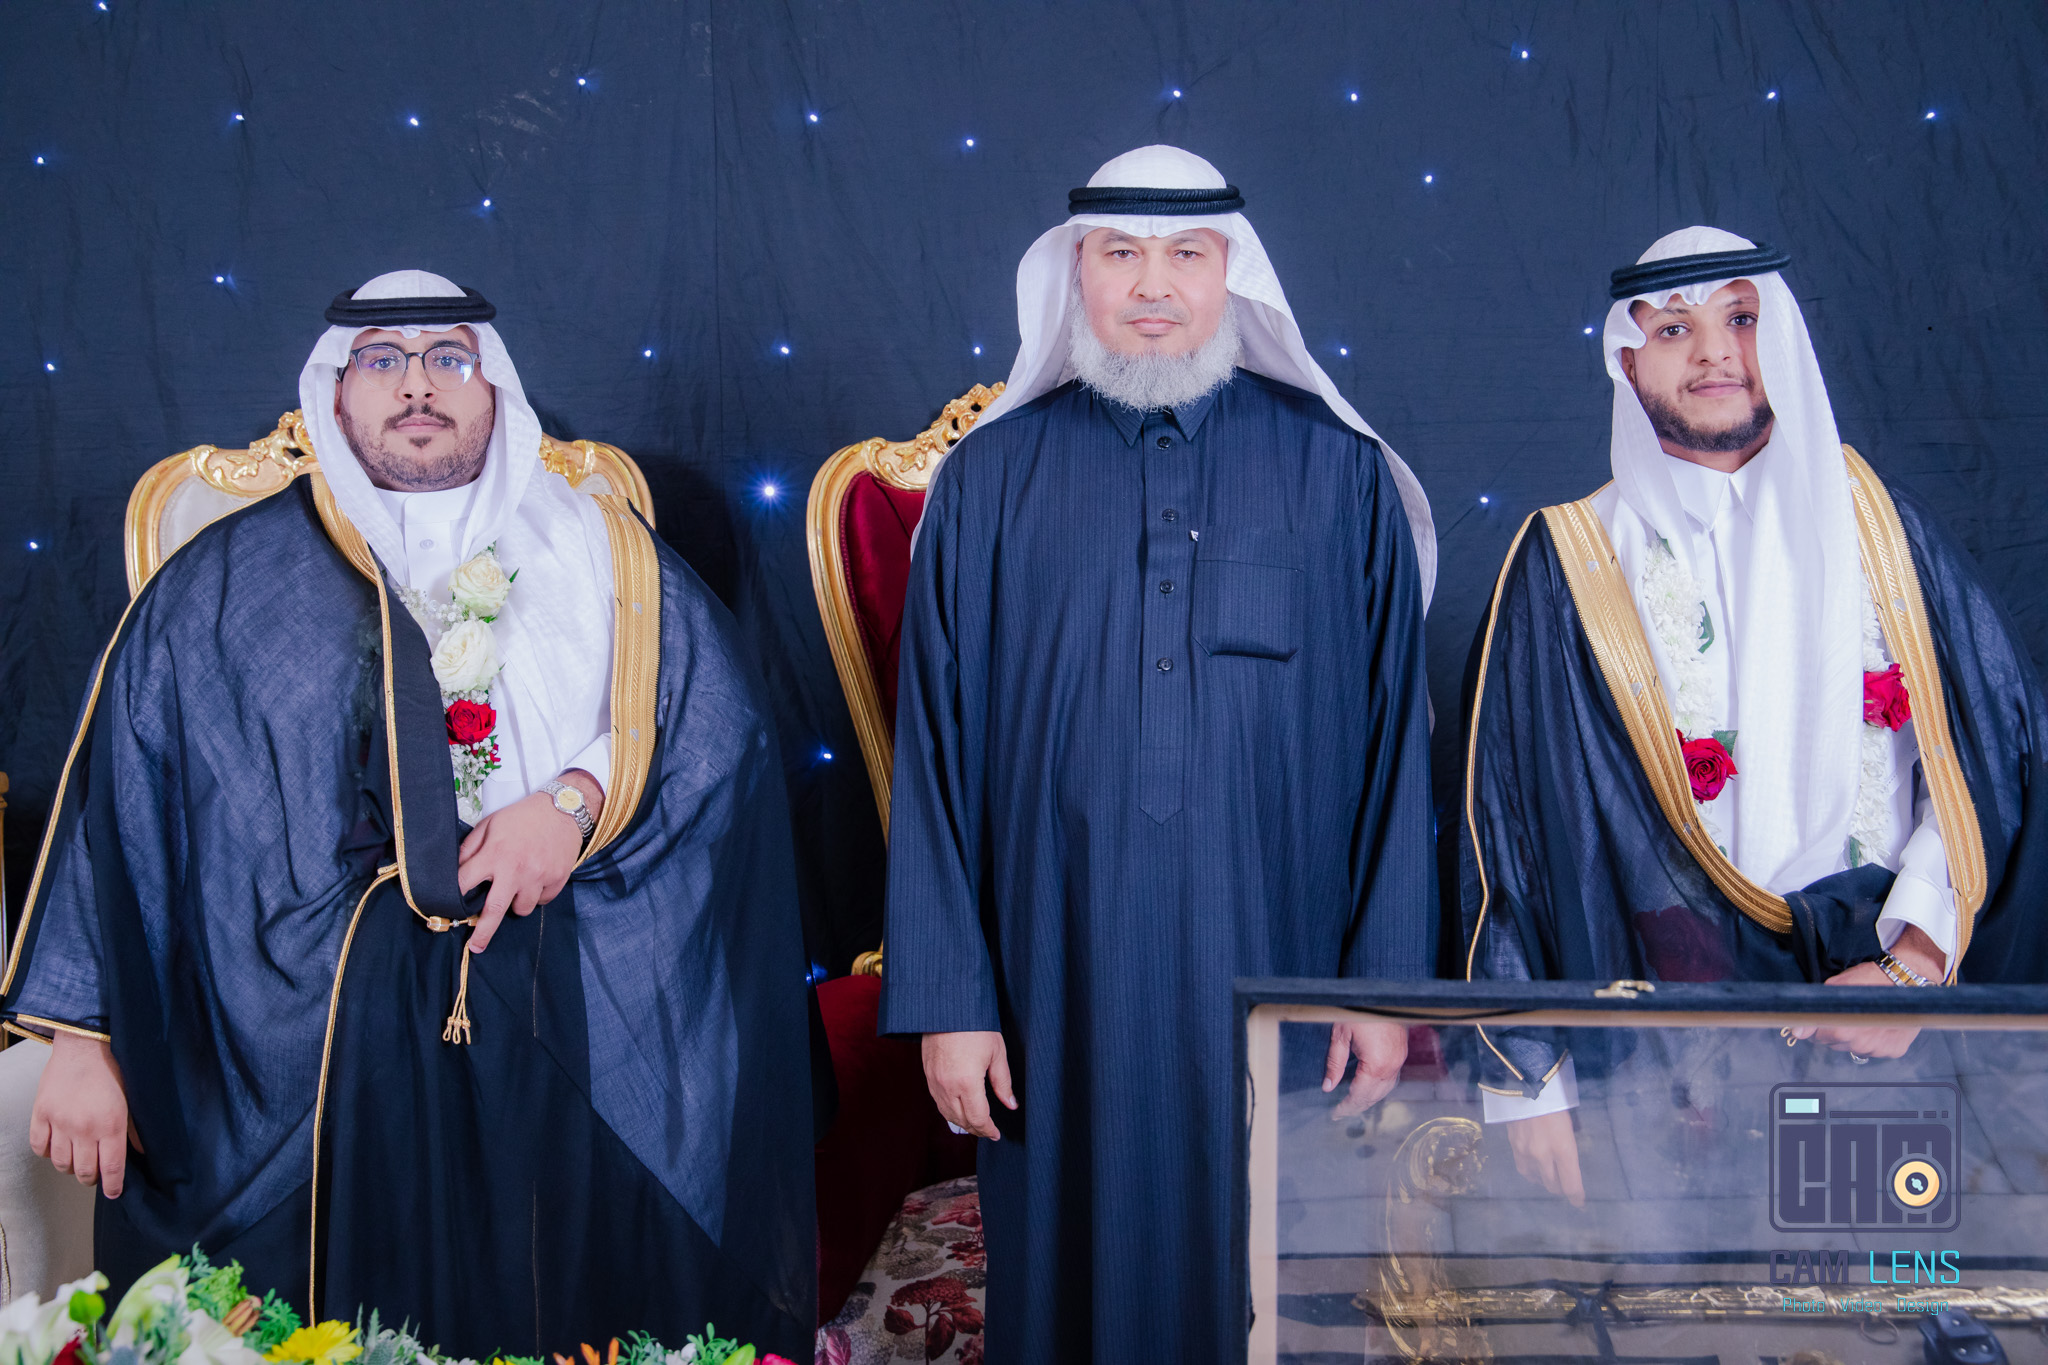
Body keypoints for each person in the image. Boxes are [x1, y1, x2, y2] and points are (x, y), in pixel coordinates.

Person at [2, 271, 815, 1355]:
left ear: (493, 387)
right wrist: (82, 1037)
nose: (416, 386)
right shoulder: (228, 581)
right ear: (335, 393)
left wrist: (572, 804)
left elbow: (714, 728)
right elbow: (124, 801)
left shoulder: (598, 548)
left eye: (447, 359)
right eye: (382, 360)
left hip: (566, 985)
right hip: (312, 1029)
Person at [880, 146, 1438, 1364]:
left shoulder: (1336, 474)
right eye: (1119, 253)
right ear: (1072, 272)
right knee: (1067, 1283)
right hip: (1048, 973)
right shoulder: (987, 480)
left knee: (1268, 1286)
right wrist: (950, 999)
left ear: (1231, 273)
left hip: (1277, 967)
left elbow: (1398, 744)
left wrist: (1380, 984)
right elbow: (932, 753)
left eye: (1185, 253)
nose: (1151, 284)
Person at [1460, 228, 2048, 1204]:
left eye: (1740, 318)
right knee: (1680, 1296)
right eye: (1673, 328)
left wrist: (1915, 963)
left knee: (1866, 1289)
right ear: (1626, 360)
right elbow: (1506, 831)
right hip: (1656, 1054)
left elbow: (1991, 751)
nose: (1713, 353)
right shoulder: (1570, 562)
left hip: (1865, 1025)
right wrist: (1525, 1076)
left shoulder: (1880, 529)